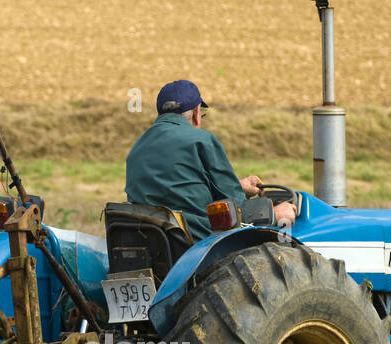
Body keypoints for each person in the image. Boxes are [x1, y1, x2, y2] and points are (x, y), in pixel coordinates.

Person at [125, 80, 298, 241]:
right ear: (196, 113)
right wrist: (275, 214)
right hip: (193, 237)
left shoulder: (136, 147)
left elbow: (174, 187)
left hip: (148, 238)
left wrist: (239, 185)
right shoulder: (201, 140)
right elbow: (234, 205)